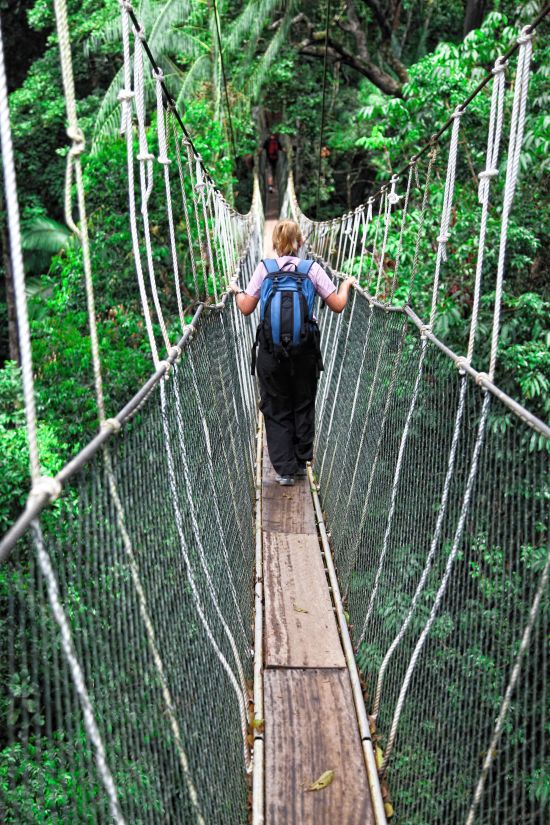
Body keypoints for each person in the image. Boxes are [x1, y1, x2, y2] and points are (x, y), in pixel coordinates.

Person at [230, 219, 355, 486]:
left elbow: (246, 307)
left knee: (275, 405)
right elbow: (337, 304)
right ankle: (300, 460)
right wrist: (346, 285)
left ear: (275, 243)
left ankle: (285, 471)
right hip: (305, 350)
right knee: (303, 401)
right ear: (301, 242)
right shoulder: (312, 269)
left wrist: (236, 291)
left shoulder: (265, 268)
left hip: (270, 351)